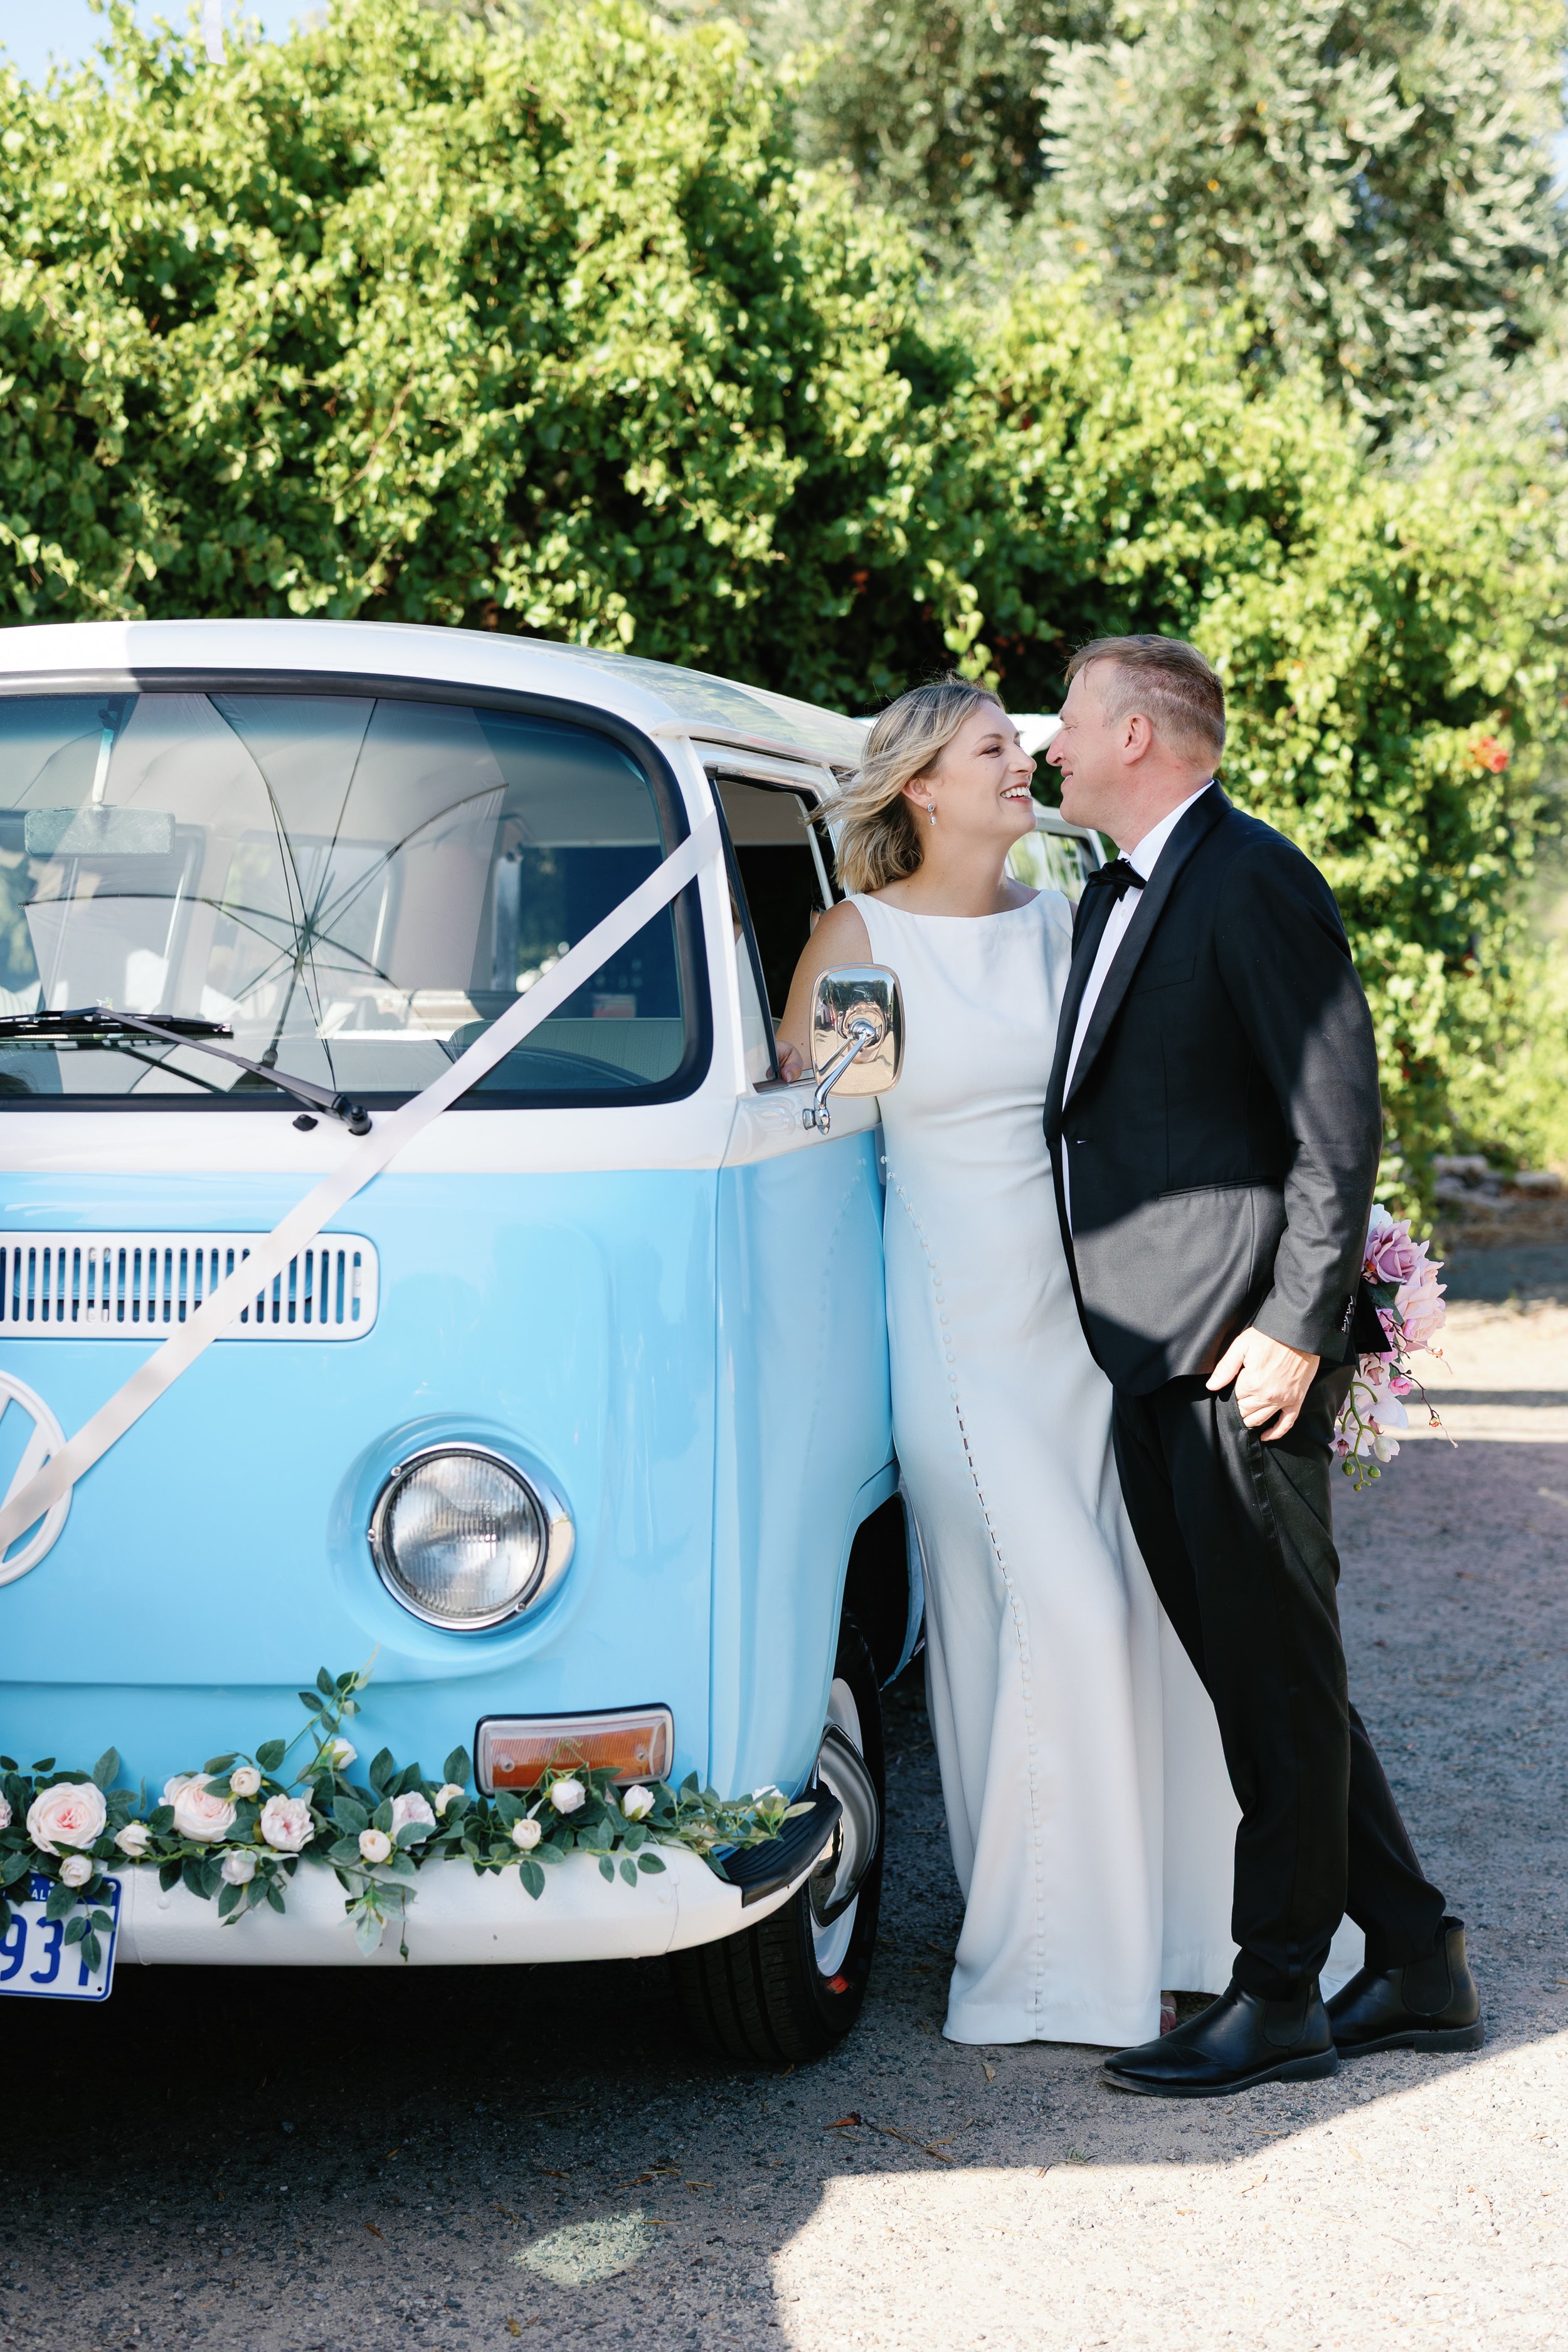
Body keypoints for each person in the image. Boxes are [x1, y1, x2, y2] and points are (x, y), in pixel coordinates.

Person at [1042, 634, 1483, 2097]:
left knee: (1274, 1681)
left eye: (1067, 722)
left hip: (1240, 1355)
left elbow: (1330, 1113)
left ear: (1139, 739)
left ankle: (1279, 1989)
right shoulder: (1121, 885)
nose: (1049, 745)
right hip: (1144, 1350)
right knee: (1265, 1675)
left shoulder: (1252, 878)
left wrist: (1296, 1328)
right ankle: (1414, 1958)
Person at [778, 678, 1237, 2049]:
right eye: (993, 749)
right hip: (962, 1334)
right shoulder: (861, 936)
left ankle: (1175, 1931)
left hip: (1087, 1328)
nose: (1022, 762)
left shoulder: (1065, 922)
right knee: (1058, 1621)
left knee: (1131, 1618)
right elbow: (809, 1125)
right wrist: (806, 1058)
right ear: (920, 783)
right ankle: (1050, 1967)